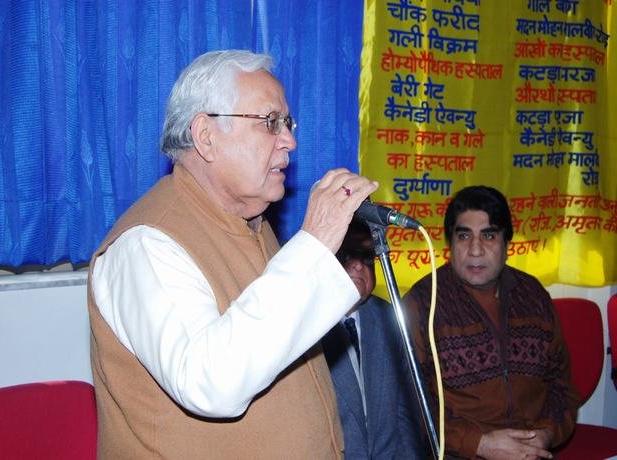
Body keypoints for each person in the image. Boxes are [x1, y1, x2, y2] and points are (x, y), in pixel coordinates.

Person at [87, 49, 378, 459]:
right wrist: (314, 244)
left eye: (288, 123)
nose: (290, 141)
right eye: (270, 122)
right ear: (206, 136)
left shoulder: (252, 222)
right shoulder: (145, 244)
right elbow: (210, 384)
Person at [403, 185, 579, 460]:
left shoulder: (533, 296)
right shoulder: (423, 303)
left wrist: (545, 434)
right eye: (464, 236)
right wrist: (479, 444)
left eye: (488, 236)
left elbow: (561, 384)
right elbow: (409, 403)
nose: (475, 250)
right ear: (450, 243)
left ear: (507, 244)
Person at [321, 219, 430, 459]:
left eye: (367, 257)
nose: (359, 265)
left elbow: (405, 415)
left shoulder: (388, 317)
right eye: (347, 254)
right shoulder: (305, 326)